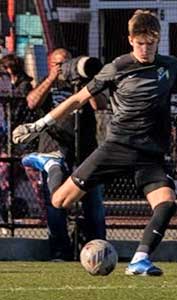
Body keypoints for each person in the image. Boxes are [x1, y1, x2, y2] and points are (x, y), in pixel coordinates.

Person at [12, 10, 177, 275]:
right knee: (59, 202)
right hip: (116, 148)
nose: (145, 48)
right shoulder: (117, 67)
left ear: (158, 39)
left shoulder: (169, 66)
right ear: (130, 40)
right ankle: (52, 164)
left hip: (150, 155)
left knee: (167, 203)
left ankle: (139, 259)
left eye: (151, 42)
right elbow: (78, 99)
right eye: (140, 43)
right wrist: (40, 124)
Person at [20, 48, 106, 261]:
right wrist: (51, 77)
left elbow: (100, 105)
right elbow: (32, 102)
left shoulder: (82, 85)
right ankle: (59, 250)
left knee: (93, 201)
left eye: (67, 62)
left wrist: (85, 81)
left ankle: (98, 248)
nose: (64, 67)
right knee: (55, 201)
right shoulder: (46, 84)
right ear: (50, 65)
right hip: (53, 151)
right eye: (59, 63)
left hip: (84, 150)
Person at [0, 54, 37, 227]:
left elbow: (19, 111)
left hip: (20, 138)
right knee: (5, 176)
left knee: (32, 176)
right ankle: (6, 212)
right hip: (7, 139)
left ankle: (46, 213)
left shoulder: (23, 86)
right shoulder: (9, 88)